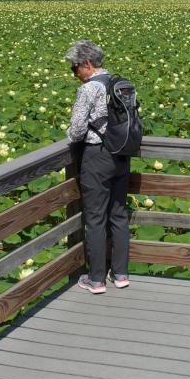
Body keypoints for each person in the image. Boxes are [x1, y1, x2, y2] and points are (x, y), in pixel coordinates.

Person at [65, 39, 131, 294]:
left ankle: (96, 280)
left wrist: (69, 134)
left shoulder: (89, 89)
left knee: (95, 218)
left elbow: (78, 130)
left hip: (97, 156)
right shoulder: (120, 83)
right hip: (122, 155)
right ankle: (121, 274)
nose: (74, 73)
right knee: (118, 214)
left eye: (74, 67)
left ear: (87, 64)